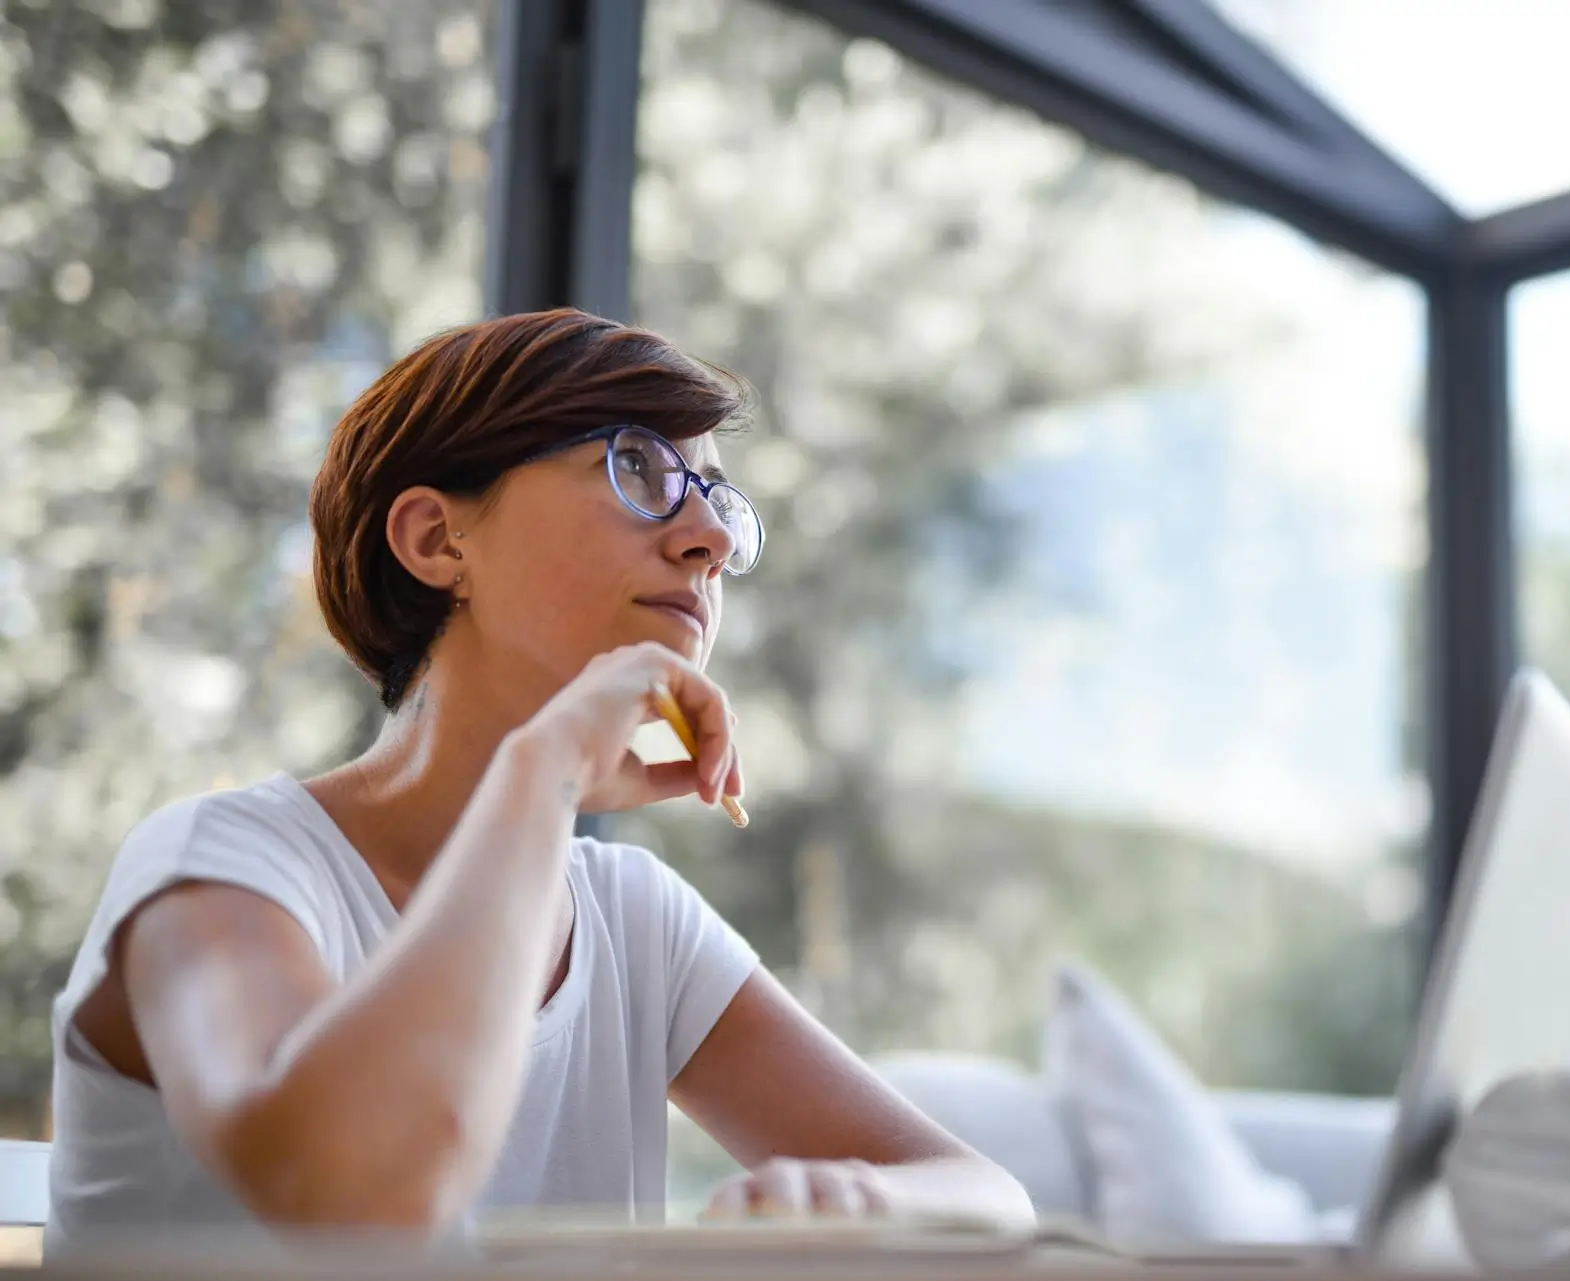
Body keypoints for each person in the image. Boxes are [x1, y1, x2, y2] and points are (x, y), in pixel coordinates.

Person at [44, 309, 1033, 1250]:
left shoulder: (635, 921)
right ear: (437, 540)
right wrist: (544, 767)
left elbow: (989, 1199)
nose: (713, 541)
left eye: (717, 500)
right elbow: (359, 1198)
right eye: (637, 467)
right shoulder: (220, 868)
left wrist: (851, 1197)